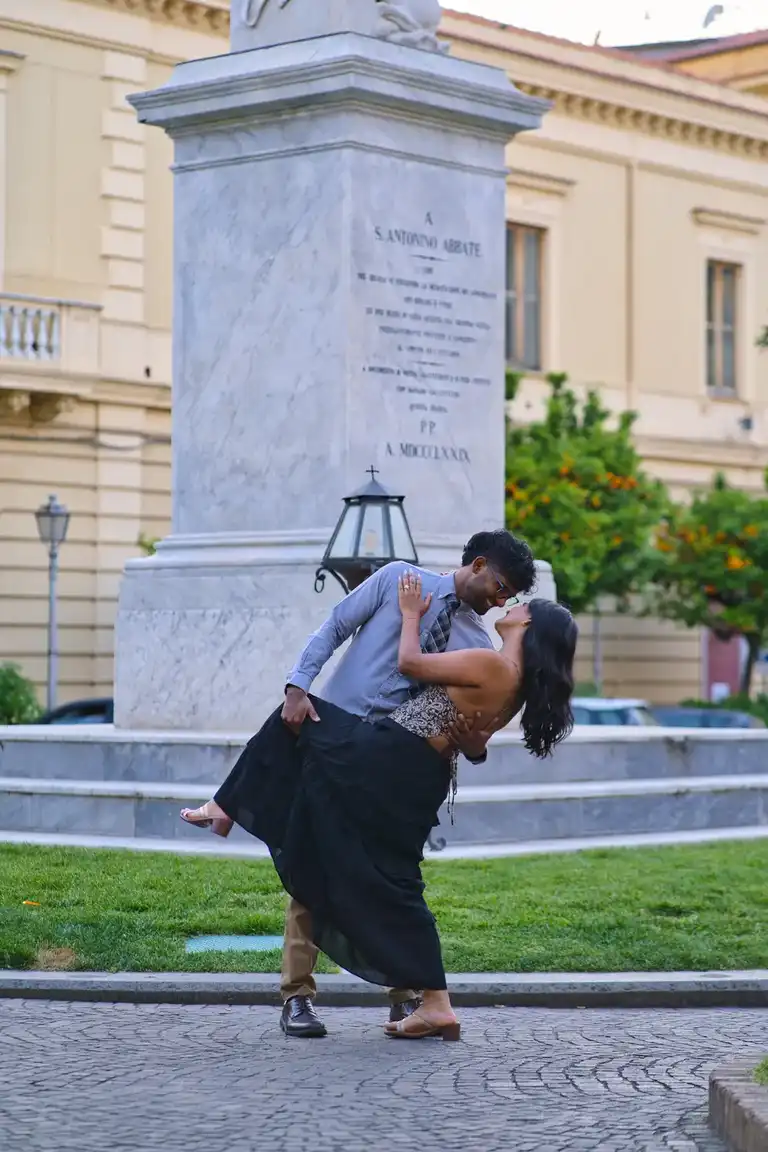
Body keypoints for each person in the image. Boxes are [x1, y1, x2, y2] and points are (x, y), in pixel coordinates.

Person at [181, 567, 577, 1041]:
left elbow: (409, 662)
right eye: (505, 589)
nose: (507, 603)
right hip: (415, 774)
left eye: (517, 603)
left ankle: (226, 806)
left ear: (528, 627)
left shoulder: (492, 662)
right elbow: (473, 739)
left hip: (388, 756)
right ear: (478, 566)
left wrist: (410, 615)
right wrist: (465, 739)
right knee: (393, 881)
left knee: (298, 718)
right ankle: (432, 1003)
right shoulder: (514, 683)